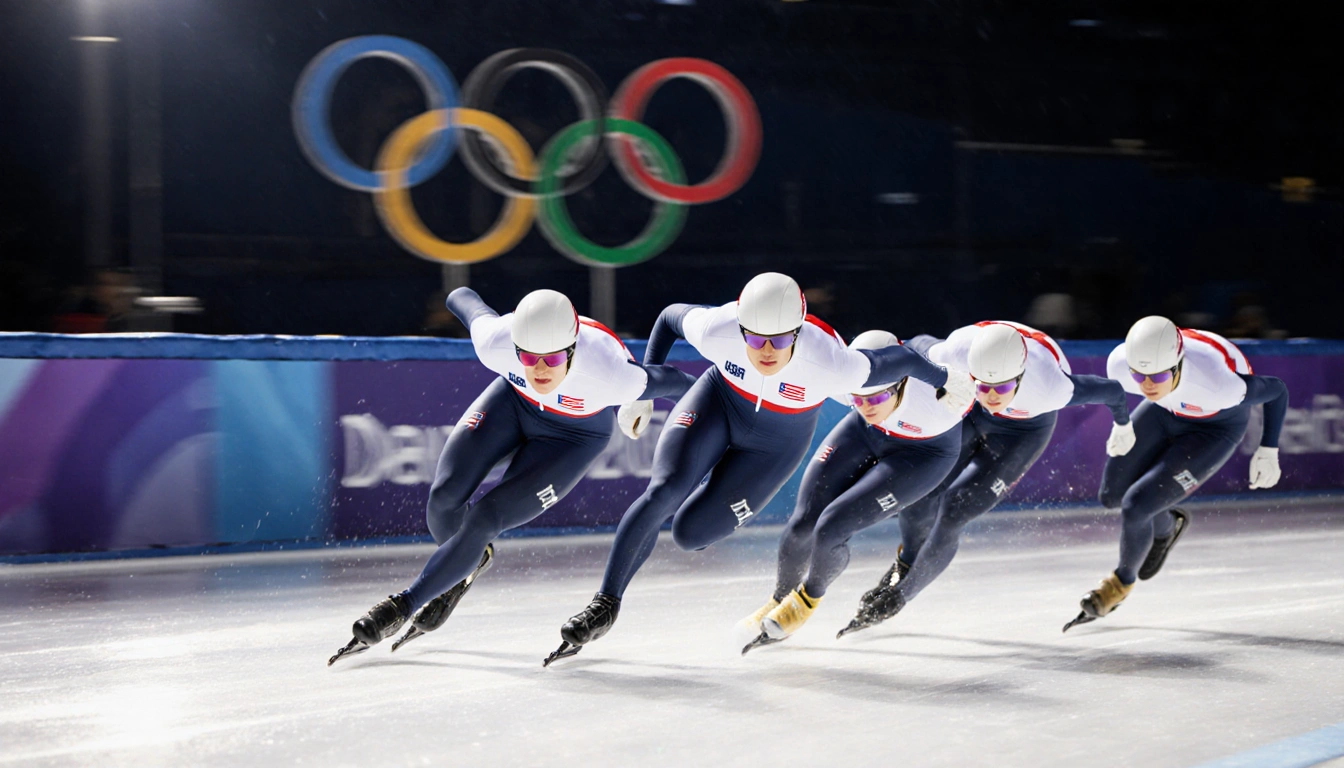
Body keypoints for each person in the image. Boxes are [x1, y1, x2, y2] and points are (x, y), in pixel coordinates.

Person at [546, 273, 975, 664]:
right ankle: (605, 603)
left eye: (780, 340)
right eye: (754, 339)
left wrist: (942, 379)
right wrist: (642, 390)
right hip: (717, 403)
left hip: (776, 445)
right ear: (740, 329)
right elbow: (670, 318)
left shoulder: (832, 361)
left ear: (799, 330)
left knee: (689, 533)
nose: (766, 352)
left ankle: (715, 487)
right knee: (664, 492)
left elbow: (896, 363)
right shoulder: (719, 328)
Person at [329, 287, 697, 665]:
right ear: (515, 346)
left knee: (485, 517)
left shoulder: (613, 375)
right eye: (528, 357)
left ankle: (403, 604)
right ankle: (463, 565)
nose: (539, 370)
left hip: (575, 436)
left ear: (571, 350)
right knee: (444, 498)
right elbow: (463, 297)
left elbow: (687, 386)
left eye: (552, 359)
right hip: (513, 404)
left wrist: (683, 424)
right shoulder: (496, 341)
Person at [844, 321, 1132, 636]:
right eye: (984, 386)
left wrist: (1123, 426)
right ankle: (907, 563)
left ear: (1021, 377)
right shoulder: (955, 353)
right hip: (972, 413)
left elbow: (1114, 391)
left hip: (1025, 431)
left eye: (1003, 388)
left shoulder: (1052, 388)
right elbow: (914, 346)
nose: (993, 397)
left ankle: (901, 595)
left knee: (955, 509)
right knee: (923, 490)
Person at [738, 330, 971, 654]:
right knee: (804, 522)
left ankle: (806, 601)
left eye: (875, 398)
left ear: (902, 382)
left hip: (923, 454)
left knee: (833, 524)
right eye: (857, 399)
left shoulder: (934, 395)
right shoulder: (845, 381)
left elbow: (932, 346)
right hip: (868, 434)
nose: (866, 406)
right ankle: (779, 597)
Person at [1062, 316, 1288, 631]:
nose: (1147, 385)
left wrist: (1269, 449)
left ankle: (1119, 585)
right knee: (1112, 496)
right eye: (1139, 376)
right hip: (1166, 410)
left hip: (1216, 428)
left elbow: (1277, 390)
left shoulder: (1217, 384)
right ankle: (1168, 526)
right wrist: (1123, 423)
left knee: (1136, 506)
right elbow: (1120, 391)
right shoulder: (1120, 364)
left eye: (1157, 375)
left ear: (1179, 364)